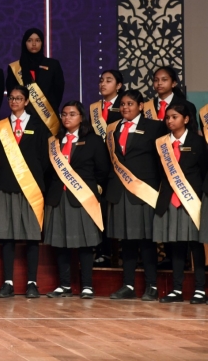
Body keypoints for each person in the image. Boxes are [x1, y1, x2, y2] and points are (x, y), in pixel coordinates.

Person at [44, 101, 110, 299]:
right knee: (60, 243)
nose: (67, 118)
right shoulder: (54, 141)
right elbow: (48, 172)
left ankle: (87, 286)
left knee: (85, 243)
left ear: (81, 117)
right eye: (64, 114)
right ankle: (64, 285)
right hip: (58, 198)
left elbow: (103, 170)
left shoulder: (93, 140)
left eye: (72, 114)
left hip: (82, 198)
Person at [106, 89, 167, 301]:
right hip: (120, 191)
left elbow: (162, 159)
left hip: (144, 191)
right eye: (123, 104)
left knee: (147, 240)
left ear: (141, 106)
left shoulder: (155, 126)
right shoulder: (113, 128)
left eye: (130, 104)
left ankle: (152, 285)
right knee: (127, 240)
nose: (125, 107)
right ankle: (128, 285)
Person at [0, 86, 51, 299]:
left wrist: (34, 179)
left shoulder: (38, 126)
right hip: (6, 186)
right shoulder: (0, 127)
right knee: (7, 236)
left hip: (30, 188)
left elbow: (45, 159)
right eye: (11, 98)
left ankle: (32, 283)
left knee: (32, 237)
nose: (14, 101)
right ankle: (8, 282)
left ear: (26, 101)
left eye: (19, 98)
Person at [153, 104, 206, 303]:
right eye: (167, 117)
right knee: (175, 246)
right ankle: (177, 289)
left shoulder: (197, 142)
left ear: (186, 119)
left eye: (174, 117)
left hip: (191, 200)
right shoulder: (162, 143)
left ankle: (200, 289)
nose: (170, 121)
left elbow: (203, 170)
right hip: (170, 200)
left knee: (195, 245)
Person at [5, 28, 65, 134]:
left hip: (48, 117)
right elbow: (12, 93)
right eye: (30, 40)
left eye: (37, 40)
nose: (34, 44)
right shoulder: (15, 67)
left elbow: (58, 91)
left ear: (42, 43)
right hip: (23, 117)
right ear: (24, 43)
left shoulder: (53, 64)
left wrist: (45, 107)